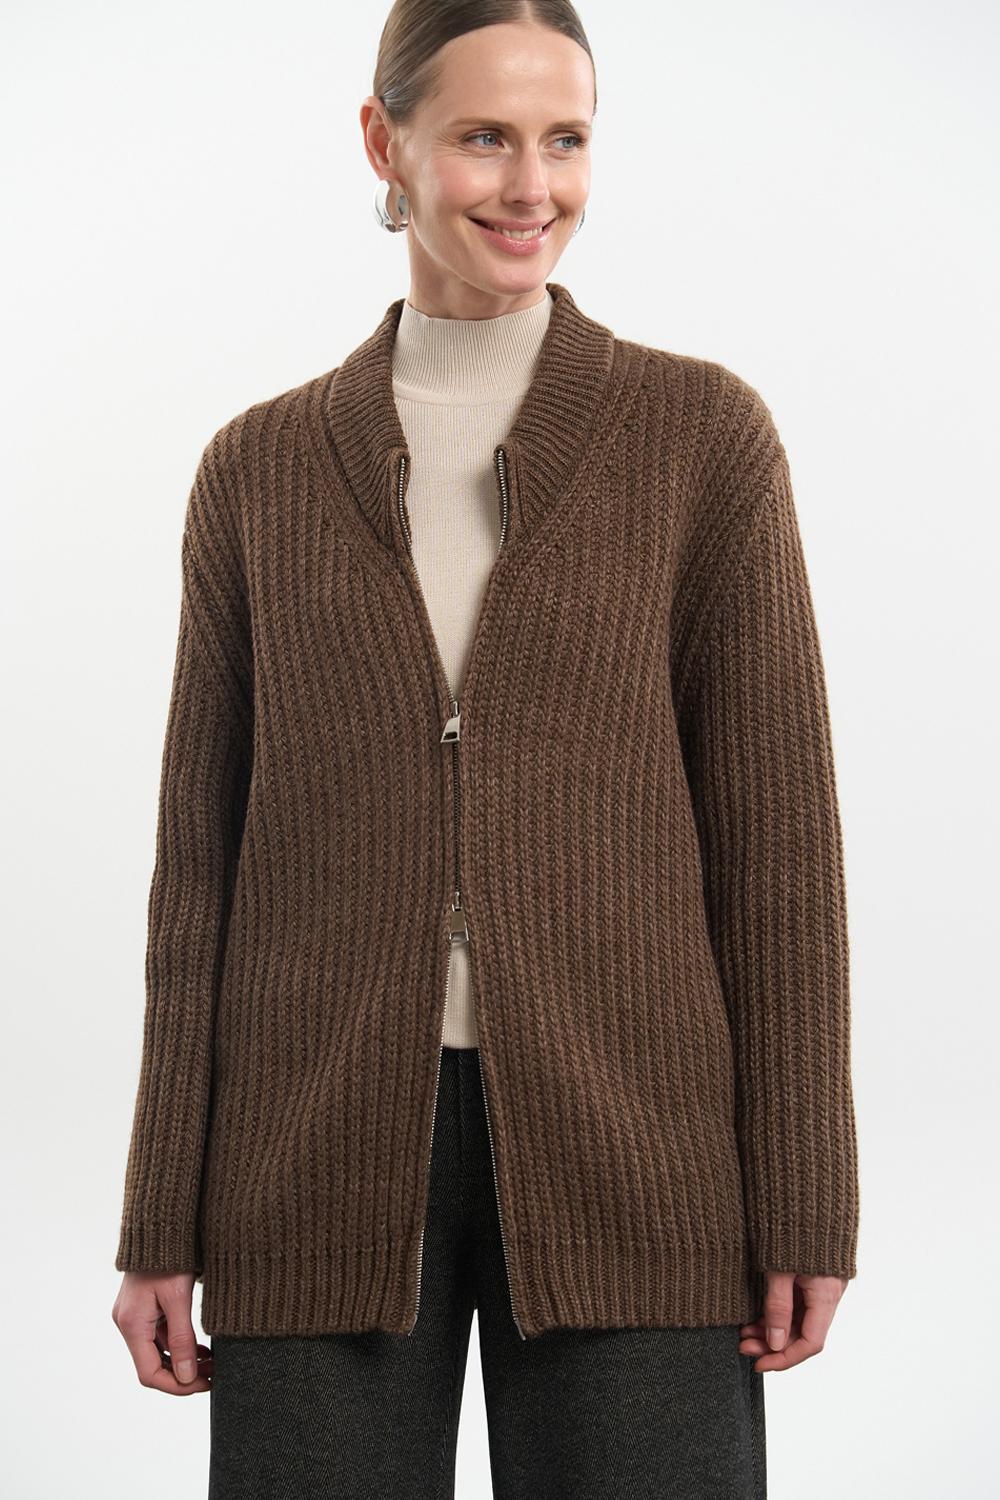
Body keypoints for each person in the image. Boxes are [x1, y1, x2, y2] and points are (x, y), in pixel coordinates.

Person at [111, 2, 860, 1495]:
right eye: (484, 137)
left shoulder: (699, 438)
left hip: (637, 1154)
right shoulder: (258, 470)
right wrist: (159, 1220)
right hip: (309, 1158)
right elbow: (197, 874)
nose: (533, 187)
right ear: (383, 143)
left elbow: (779, 852)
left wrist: (806, 1196)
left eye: (565, 139)